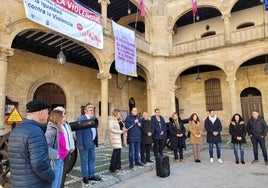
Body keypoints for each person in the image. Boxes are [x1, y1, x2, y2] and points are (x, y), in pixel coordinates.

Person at [8, 100, 55, 188]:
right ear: (41, 113)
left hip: (17, 183)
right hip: (34, 183)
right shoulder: (35, 132)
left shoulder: (16, 129)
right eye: (47, 113)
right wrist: (51, 176)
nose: (48, 116)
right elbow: (39, 164)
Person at [76, 104, 101, 185]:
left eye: (93, 110)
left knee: (92, 159)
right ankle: (85, 177)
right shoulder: (81, 119)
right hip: (84, 144)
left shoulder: (93, 119)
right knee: (84, 161)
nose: (92, 111)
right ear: (86, 111)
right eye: (91, 110)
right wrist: (80, 144)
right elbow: (78, 133)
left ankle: (91, 175)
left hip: (92, 143)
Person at [53, 106, 75, 188]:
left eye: (65, 114)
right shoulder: (55, 126)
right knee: (59, 173)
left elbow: (69, 137)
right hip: (60, 154)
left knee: (64, 171)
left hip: (67, 152)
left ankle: (62, 185)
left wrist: (72, 146)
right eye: (63, 114)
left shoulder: (67, 124)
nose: (65, 116)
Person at [46, 110, 68, 188]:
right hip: (55, 160)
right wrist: (57, 155)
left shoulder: (59, 128)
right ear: (58, 118)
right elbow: (46, 147)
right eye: (62, 117)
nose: (64, 118)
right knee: (54, 185)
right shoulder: (51, 130)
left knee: (58, 183)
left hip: (61, 159)